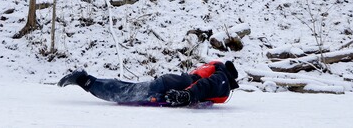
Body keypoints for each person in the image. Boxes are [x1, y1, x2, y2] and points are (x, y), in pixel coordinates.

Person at [57, 60, 239, 107]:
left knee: (127, 88)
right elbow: (206, 85)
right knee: (125, 93)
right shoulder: (223, 77)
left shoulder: (216, 67)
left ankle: (88, 80)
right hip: (174, 85)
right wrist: (187, 95)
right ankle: (84, 79)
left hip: (174, 81)